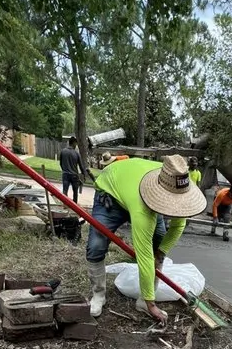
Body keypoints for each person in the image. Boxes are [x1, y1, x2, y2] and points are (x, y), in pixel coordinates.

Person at [86, 154, 205, 324]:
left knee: (158, 241)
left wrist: (161, 252)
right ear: (160, 196)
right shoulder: (143, 208)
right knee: (96, 245)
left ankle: (143, 300)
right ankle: (98, 295)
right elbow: (144, 256)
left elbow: (179, 225)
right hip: (111, 190)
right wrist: (152, 305)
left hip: (135, 187)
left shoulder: (174, 179)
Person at [59, 137, 86, 203]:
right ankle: (75, 205)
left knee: (65, 190)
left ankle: (65, 204)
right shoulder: (76, 153)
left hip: (65, 174)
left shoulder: (63, 151)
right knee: (75, 192)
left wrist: (64, 170)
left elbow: (61, 163)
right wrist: (84, 174)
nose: (76, 145)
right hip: (74, 175)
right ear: (73, 143)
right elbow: (80, 165)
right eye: (75, 144)